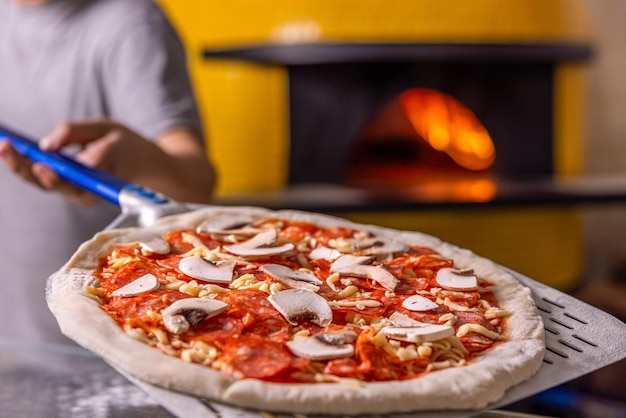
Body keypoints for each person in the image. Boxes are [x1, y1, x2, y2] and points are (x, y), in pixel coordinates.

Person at [0, 0, 216, 344]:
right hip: (12, 343)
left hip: (116, 332)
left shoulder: (132, 22)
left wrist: (136, 160)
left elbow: (196, 188)